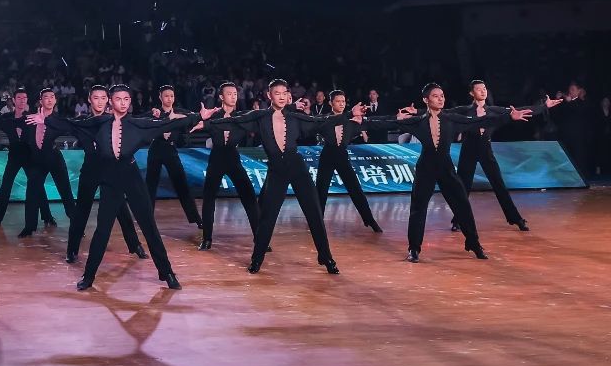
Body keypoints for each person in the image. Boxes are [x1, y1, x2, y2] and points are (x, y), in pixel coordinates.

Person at [34, 85, 213, 291]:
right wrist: (46, 119)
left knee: (149, 227)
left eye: (126, 99)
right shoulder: (97, 123)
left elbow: (167, 123)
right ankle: (89, 276)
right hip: (110, 180)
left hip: (132, 178)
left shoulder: (137, 124)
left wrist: (198, 116)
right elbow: (70, 125)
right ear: (111, 101)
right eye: (118, 99)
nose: (123, 103)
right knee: (102, 230)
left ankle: (167, 273)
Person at [202, 79, 365, 275]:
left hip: (297, 168)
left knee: (314, 213)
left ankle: (326, 256)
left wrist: (349, 114)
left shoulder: (295, 117)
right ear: (269, 95)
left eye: (284, 93)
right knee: (268, 217)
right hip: (276, 171)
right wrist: (206, 120)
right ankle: (257, 258)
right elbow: (232, 121)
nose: (280, 96)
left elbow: (323, 121)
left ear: (288, 95)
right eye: (276, 93)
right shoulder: (259, 117)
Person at [368, 83, 532, 263]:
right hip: (426, 169)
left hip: (446, 168)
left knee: (463, 205)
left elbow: (479, 121)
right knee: (418, 208)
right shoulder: (418, 121)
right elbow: (386, 123)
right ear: (426, 100)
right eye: (435, 96)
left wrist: (508, 117)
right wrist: (361, 121)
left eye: (442, 95)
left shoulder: (452, 119)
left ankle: (474, 243)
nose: (440, 99)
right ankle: (414, 249)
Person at [449, 80, 562, 231]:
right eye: (479, 89)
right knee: (463, 186)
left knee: (499, 185)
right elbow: (443, 114)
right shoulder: (464, 110)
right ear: (471, 93)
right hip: (468, 150)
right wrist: (419, 113)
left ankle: (516, 218)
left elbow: (520, 110)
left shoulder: (493, 110)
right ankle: (457, 220)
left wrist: (544, 106)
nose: (483, 91)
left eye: (484, 88)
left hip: (485, 150)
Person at [65, 84, 145, 264]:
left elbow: (136, 123)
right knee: (82, 210)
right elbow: (63, 124)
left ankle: (135, 245)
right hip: (90, 171)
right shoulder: (82, 122)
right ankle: (72, 249)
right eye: (96, 98)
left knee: (121, 208)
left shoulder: (113, 120)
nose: (100, 102)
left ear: (108, 100)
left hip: (111, 171)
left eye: (103, 98)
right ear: (89, 99)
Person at [196, 82, 260, 251]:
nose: (233, 96)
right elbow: (192, 125)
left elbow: (263, 117)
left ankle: (260, 238)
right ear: (221, 97)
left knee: (249, 196)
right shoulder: (213, 116)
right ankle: (207, 238)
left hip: (233, 158)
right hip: (216, 158)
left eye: (235, 94)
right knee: (209, 198)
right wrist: (201, 118)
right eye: (229, 93)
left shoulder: (242, 117)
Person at [314, 90, 383, 233]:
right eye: (338, 101)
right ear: (331, 103)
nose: (341, 104)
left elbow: (374, 123)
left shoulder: (350, 121)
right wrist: (351, 114)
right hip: (327, 156)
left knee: (355, 189)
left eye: (343, 101)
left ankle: (369, 219)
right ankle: (317, 221)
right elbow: (328, 122)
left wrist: (397, 119)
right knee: (321, 189)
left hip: (342, 156)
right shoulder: (325, 118)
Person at [16, 87, 76, 238]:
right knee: (32, 193)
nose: (49, 99)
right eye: (46, 97)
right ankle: (29, 227)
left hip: (54, 158)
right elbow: (18, 130)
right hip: (37, 160)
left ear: (55, 101)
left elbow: (68, 127)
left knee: (66, 192)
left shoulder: (58, 120)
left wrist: (45, 121)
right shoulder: (30, 118)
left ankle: (77, 225)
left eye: (52, 97)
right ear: (40, 101)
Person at [144, 84, 202, 228]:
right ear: (160, 97)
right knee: (150, 185)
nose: (169, 99)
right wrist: (153, 115)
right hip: (156, 149)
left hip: (171, 150)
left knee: (182, 184)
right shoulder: (155, 112)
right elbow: (140, 120)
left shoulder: (180, 112)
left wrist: (178, 117)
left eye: (171, 96)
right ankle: (147, 218)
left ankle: (196, 218)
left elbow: (194, 117)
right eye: (166, 96)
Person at [0, 88, 34, 227]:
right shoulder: (6, 118)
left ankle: (47, 217)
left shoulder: (32, 117)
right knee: (5, 187)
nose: (22, 100)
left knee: (36, 185)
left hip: (30, 156)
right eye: (19, 98)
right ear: (14, 100)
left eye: (24, 98)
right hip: (14, 155)